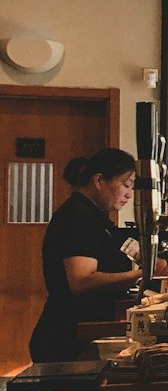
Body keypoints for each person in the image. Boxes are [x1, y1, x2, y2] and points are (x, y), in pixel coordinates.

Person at [29, 148, 143, 363]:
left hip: (79, 333)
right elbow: (81, 281)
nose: (129, 194)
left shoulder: (94, 216)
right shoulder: (77, 217)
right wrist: (141, 274)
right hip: (66, 339)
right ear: (99, 180)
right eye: (125, 185)